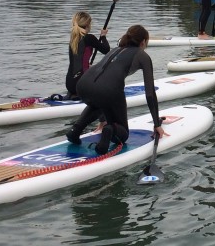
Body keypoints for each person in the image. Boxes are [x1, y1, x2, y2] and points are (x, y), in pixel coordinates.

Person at [65, 25, 167, 154]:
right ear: (143, 42)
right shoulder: (143, 56)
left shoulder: (115, 50)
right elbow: (150, 94)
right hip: (107, 90)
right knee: (123, 134)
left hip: (83, 85)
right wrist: (156, 124)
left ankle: (75, 130)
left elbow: (100, 84)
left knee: (98, 102)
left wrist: (102, 119)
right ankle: (110, 129)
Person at [64, 11, 110, 98]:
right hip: (81, 83)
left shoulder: (73, 39)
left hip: (69, 83)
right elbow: (106, 50)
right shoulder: (89, 38)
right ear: (88, 24)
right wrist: (103, 36)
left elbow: (78, 60)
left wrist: (87, 67)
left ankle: (73, 94)